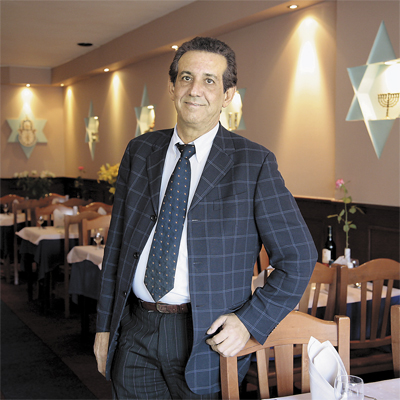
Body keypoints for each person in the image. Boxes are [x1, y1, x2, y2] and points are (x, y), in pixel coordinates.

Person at [94, 36, 317, 399]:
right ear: (172, 87)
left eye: (209, 80)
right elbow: (116, 246)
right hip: (134, 331)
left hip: (206, 341)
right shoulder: (140, 151)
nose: (195, 90)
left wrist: (249, 321)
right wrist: (104, 327)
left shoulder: (254, 164)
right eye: (186, 77)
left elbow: (299, 257)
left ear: (228, 94)